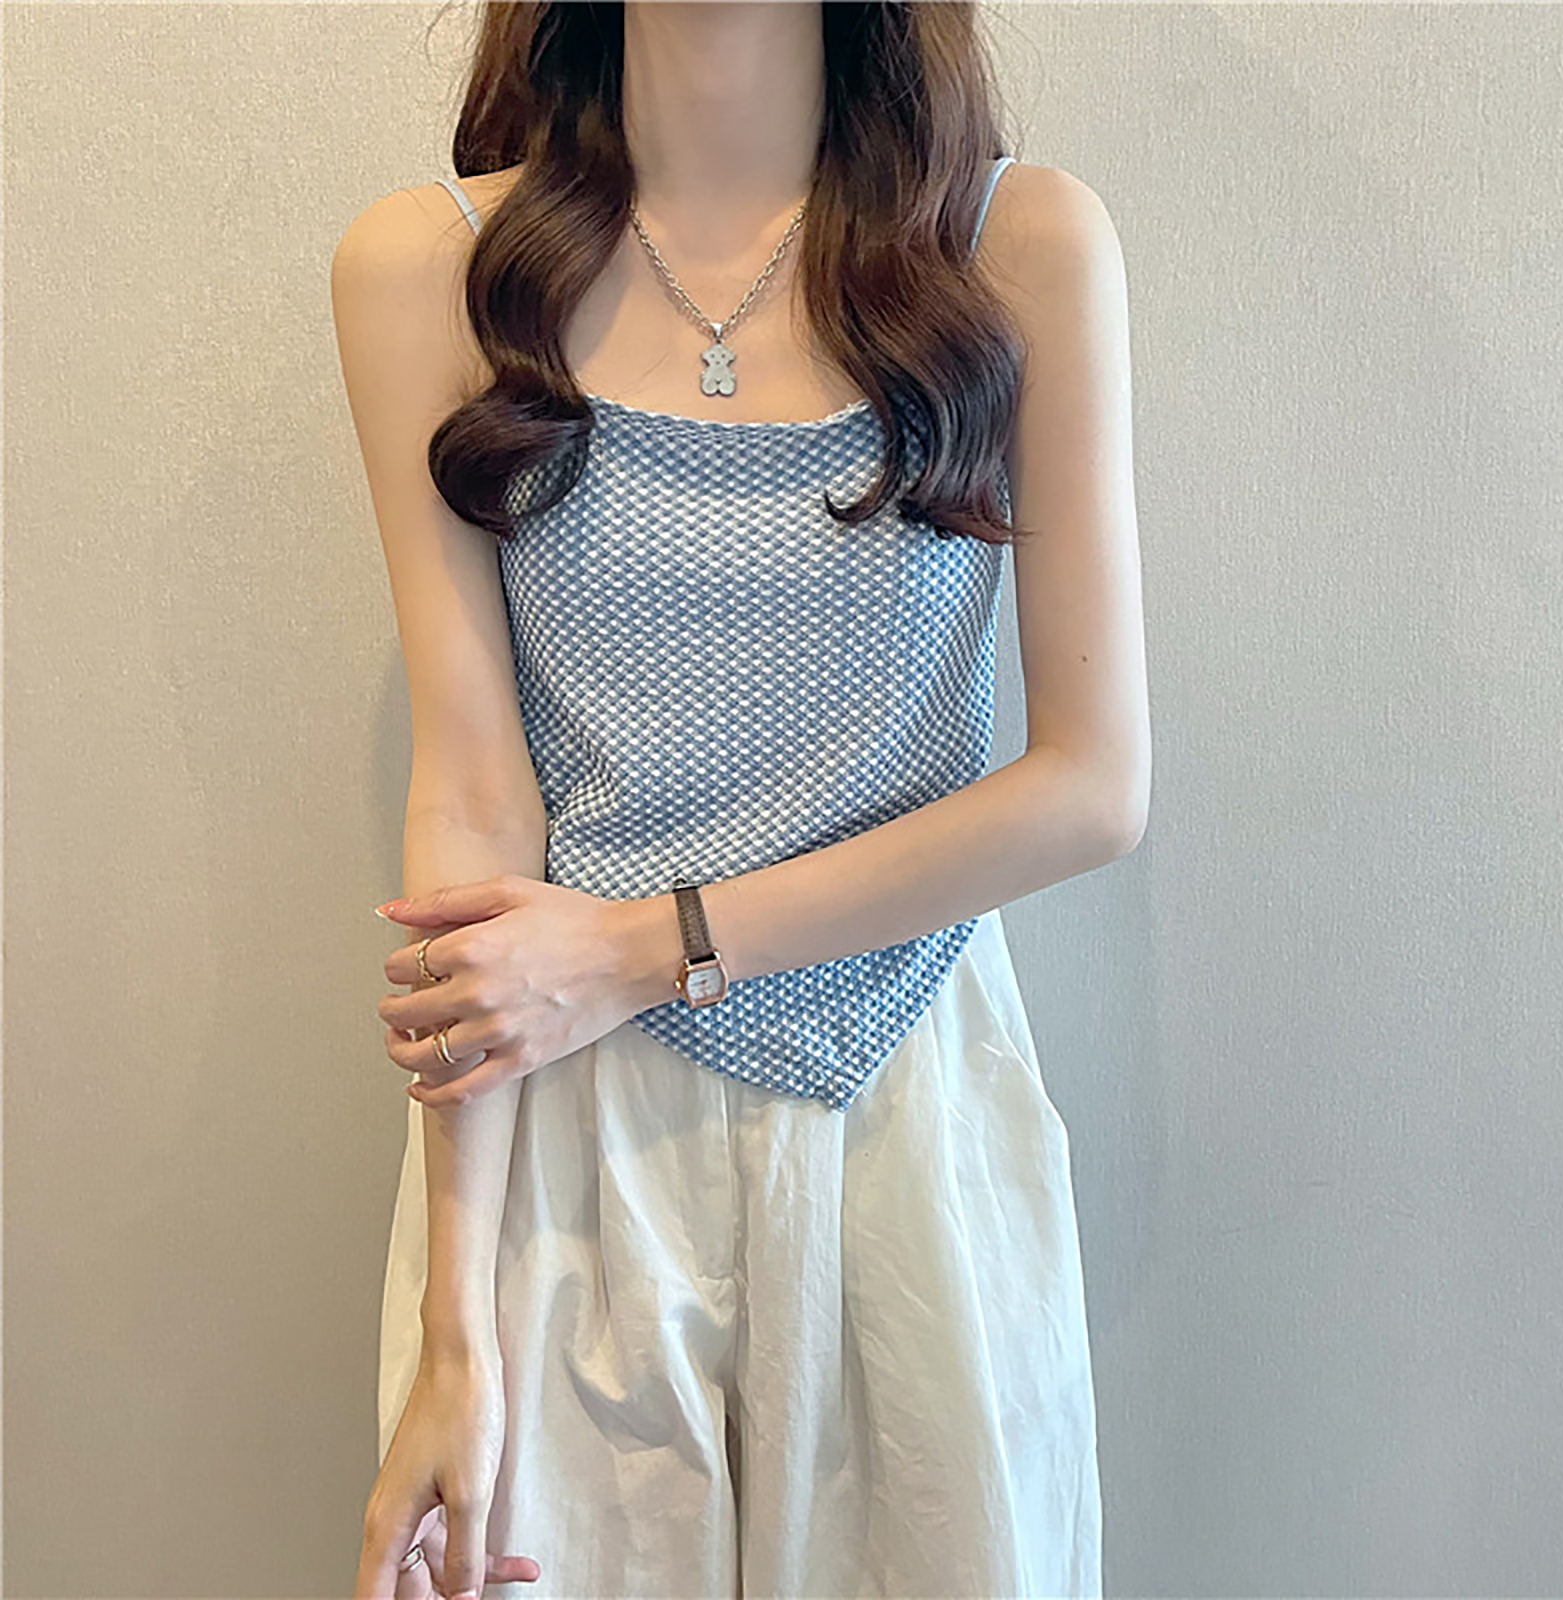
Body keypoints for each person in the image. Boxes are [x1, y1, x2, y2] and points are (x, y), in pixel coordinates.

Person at [331, 3, 1146, 1596]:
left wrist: (646, 945)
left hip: (906, 1109)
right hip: (569, 1135)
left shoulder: (1017, 246)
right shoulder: (426, 271)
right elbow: (474, 798)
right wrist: (456, 1325)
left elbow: (1093, 786)